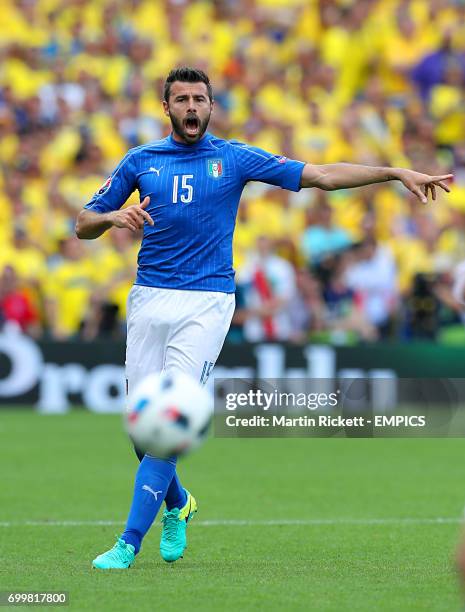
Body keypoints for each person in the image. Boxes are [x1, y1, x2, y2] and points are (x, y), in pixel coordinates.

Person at [75, 66, 453, 570]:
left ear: (212, 106)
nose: (192, 107)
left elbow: (319, 175)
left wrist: (394, 172)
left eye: (200, 99)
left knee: (168, 417)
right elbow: (82, 223)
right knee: (140, 433)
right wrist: (112, 217)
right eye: (182, 99)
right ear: (165, 107)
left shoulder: (233, 158)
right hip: (149, 297)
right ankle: (179, 505)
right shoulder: (141, 161)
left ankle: (128, 542)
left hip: (207, 301)